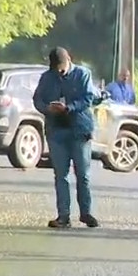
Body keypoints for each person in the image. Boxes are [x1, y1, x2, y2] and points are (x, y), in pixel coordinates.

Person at [32, 47, 100, 229]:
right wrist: (47, 108)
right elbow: (37, 99)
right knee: (61, 175)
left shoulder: (83, 74)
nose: (59, 71)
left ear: (69, 60)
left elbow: (88, 98)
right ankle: (63, 216)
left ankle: (86, 213)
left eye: (61, 66)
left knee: (83, 174)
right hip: (57, 131)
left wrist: (69, 107)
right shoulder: (47, 78)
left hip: (79, 129)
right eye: (56, 68)